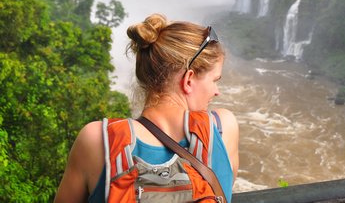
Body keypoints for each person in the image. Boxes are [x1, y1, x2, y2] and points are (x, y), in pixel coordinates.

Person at [55, 13, 239, 203]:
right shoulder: (222, 128)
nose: (216, 91)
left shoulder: (96, 140)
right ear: (189, 80)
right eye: (215, 80)